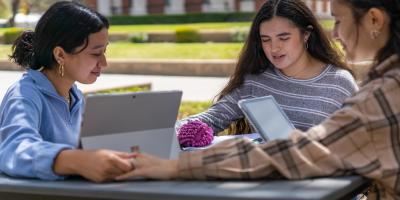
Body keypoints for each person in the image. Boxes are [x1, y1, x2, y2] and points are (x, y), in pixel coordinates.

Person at [117, 0, 400, 199]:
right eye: (266, 39)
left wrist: (176, 167)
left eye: (338, 20)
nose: (336, 33)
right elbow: (212, 117)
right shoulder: (383, 86)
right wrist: (178, 132)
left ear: (374, 19)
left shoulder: (381, 94)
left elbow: (306, 151)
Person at [177, 0, 358, 136]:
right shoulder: (256, 81)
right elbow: (213, 118)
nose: (274, 48)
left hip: (323, 181)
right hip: (264, 180)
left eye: (283, 38)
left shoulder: (339, 83)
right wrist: (170, 130)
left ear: (306, 35)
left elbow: (361, 141)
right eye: (266, 39)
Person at [0, 1, 133, 182]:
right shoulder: (24, 95)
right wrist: (77, 160)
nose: (104, 63)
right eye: (96, 53)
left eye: (105, 51)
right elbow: (14, 148)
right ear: (60, 55)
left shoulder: (75, 96)